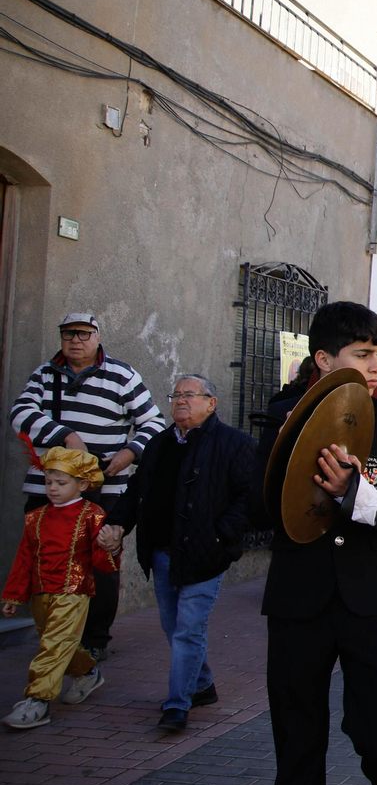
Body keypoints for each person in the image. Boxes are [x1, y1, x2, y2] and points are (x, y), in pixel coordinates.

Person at [254, 301, 377, 785]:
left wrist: (357, 496)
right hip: (299, 601)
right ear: (324, 360)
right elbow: (258, 508)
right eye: (363, 354)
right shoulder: (281, 419)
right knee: (297, 749)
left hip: (370, 601)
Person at [102, 374, 254, 734]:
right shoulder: (158, 445)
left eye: (190, 395)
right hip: (163, 553)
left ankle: (177, 705)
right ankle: (201, 685)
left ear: (211, 403)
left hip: (205, 554)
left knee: (188, 629)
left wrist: (219, 537)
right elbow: (137, 489)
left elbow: (247, 498)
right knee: (173, 626)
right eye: (176, 395)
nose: (180, 401)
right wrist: (117, 524)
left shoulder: (235, 444)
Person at [9, 313, 164, 661]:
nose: (74, 340)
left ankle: (94, 641)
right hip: (48, 489)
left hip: (106, 490)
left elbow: (154, 423)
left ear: (97, 337)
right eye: (68, 334)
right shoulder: (44, 375)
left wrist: (129, 452)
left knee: (100, 563)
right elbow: (20, 412)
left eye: (83, 334)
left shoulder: (122, 375)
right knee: (42, 557)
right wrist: (65, 436)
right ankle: (51, 635)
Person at [1, 448, 115, 730]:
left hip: (74, 590)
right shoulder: (35, 518)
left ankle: (38, 701)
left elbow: (103, 560)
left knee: (54, 643)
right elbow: (24, 559)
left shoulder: (92, 515)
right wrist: (14, 596)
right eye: (48, 482)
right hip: (42, 592)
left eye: (61, 483)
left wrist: (109, 545)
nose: (52, 488)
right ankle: (87, 673)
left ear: (83, 484)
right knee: (57, 642)